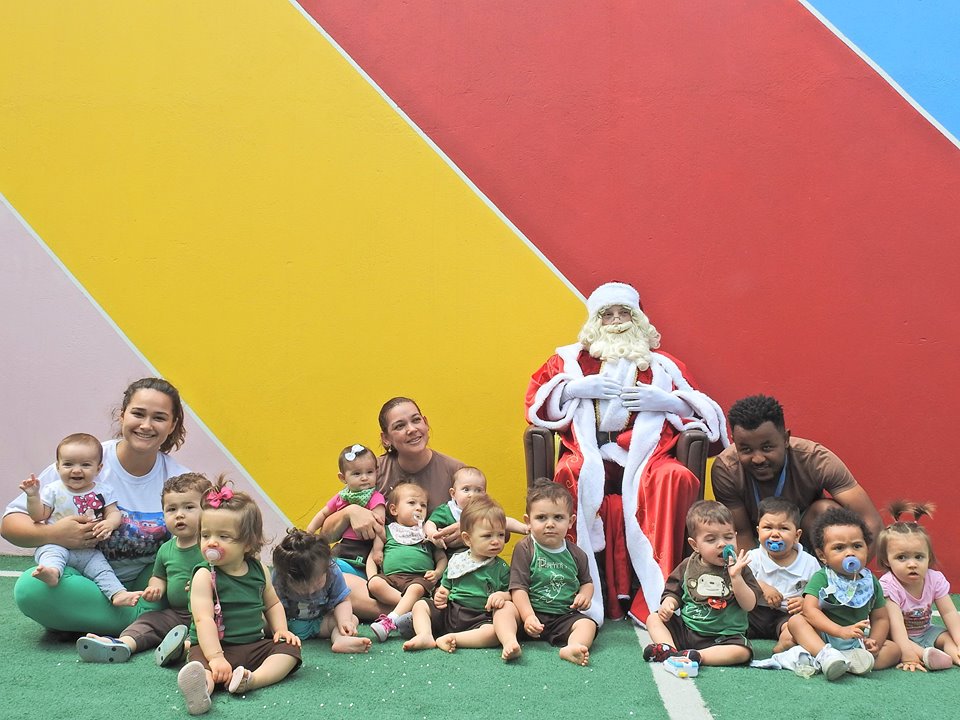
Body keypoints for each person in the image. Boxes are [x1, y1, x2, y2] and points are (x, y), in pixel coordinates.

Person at [525, 281, 727, 623]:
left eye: (624, 313)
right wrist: (572, 389)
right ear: (596, 321)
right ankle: (565, 588)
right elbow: (535, 405)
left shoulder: (663, 366)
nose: (617, 321)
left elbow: (704, 413)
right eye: (608, 314)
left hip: (646, 454)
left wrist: (668, 402)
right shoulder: (569, 361)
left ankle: (660, 593)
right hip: (589, 451)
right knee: (568, 474)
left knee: (675, 477)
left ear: (638, 319)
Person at [2, 378, 190, 634]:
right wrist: (54, 533)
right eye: (138, 414)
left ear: (172, 425)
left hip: (147, 585)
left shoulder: (179, 479)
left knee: (187, 574)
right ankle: (148, 622)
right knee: (30, 589)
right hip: (84, 580)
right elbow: (10, 524)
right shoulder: (84, 460)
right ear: (122, 415)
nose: (146, 425)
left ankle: (93, 620)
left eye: (159, 417)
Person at [317, 397, 465, 620]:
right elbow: (326, 535)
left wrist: (467, 528)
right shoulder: (371, 471)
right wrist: (349, 512)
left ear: (426, 423)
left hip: (435, 577)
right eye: (399, 426)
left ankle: (414, 611)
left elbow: (493, 526)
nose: (411, 429)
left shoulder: (456, 472)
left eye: (416, 420)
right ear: (386, 438)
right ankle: (415, 612)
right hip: (380, 576)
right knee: (325, 576)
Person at [176, 479, 301, 716]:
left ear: (248, 544)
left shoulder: (259, 569)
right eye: (205, 535)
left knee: (290, 650)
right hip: (213, 647)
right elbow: (203, 620)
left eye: (224, 536)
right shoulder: (204, 575)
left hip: (253, 645)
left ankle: (252, 679)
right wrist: (216, 658)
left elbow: (272, 603)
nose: (211, 542)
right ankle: (202, 690)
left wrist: (281, 630)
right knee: (201, 667)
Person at [712, 394, 883, 558]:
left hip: (807, 540)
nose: (758, 459)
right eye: (746, 450)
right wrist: (753, 576)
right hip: (758, 544)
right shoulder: (726, 469)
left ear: (786, 439)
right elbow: (741, 533)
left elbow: (870, 520)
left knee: (826, 510)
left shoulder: (816, 460)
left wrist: (852, 571)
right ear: (734, 442)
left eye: (767, 448)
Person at [77, 472, 211, 664]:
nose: (179, 514)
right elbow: (160, 576)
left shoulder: (209, 546)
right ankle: (122, 644)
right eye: (171, 509)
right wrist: (156, 588)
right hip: (179, 613)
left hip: (211, 613)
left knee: (211, 630)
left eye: (189, 507)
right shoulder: (166, 549)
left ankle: (184, 648)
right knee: (148, 621)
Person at [19, 433, 142, 607]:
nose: (76, 470)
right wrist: (33, 497)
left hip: (89, 550)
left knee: (102, 570)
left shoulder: (104, 490)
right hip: (57, 545)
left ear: (98, 468)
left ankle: (118, 594)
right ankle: (52, 572)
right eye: (68, 464)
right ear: (58, 467)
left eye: (85, 465)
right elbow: (38, 516)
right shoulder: (53, 490)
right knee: (50, 555)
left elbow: (114, 513)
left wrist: (110, 523)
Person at [644, 501, 761, 668]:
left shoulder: (740, 568)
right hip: (687, 631)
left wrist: (736, 578)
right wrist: (669, 604)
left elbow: (749, 605)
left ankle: (697, 656)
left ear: (735, 536)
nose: (722, 544)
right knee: (653, 618)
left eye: (728, 537)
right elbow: (673, 592)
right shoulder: (688, 566)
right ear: (695, 545)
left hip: (724, 638)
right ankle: (669, 649)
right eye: (711, 539)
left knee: (743, 652)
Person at [403, 495, 521, 661]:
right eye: (487, 536)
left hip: (480, 617)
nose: (496, 541)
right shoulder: (457, 561)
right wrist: (442, 594)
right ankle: (425, 635)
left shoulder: (500, 567)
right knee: (420, 605)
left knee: (493, 633)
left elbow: (512, 594)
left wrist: (502, 595)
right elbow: (445, 586)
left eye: (500, 535)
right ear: (467, 539)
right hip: (451, 611)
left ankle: (454, 638)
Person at [787, 507, 900, 680]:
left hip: (856, 641)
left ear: (867, 549)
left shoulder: (870, 581)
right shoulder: (822, 577)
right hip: (824, 637)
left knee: (894, 650)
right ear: (822, 555)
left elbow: (880, 618)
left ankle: (851, 662)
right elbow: (810, 610)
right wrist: (840, 631)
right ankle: (826, 656)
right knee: (796, 621)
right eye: (839, 548)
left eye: (857, 546)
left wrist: (874, 642)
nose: (850, 553)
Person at [510, 479, 596, 667]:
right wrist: (528, 616)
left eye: (558, 517)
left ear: (570, 521)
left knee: (587, 624)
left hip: (563, 616)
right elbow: (518, 588)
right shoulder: (525, 549)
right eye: (541, 518)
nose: (550, 524)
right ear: (528, 521)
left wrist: (584, 595)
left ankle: (573, 646)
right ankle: (509, 641)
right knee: (505, 611)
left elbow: (587, 582)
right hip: (530, 614)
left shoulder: (577, 554)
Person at [877, 501, 960, 671]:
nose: (912, 564)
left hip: (926, 631)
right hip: (898, 636)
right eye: (902, 557)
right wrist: (907, 655)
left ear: (929, 557)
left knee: (946, 637)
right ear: (886, 560)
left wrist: (958, 640)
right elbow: (896, 626)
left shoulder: (934, 579)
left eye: (919, 557)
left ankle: (954, 655)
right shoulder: (888, 585)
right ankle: (927, 655)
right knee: (897, 645)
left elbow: (949, 613)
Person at [367, 482, 447, 642]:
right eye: (412, 503)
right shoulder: (387, 531)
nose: (419, 508)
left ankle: (389, 621)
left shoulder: (427, 533)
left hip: (419, 579)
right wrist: (372, 578)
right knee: (374, 584)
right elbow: (372, 557)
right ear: (394, 510)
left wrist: (437, 573)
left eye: (423, 505)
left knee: (415, 588)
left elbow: (442, 558)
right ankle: (411, 607)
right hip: (390, 580)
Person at [272, 528, 371, 654]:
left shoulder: (333, 572)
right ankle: (280, 638)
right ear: (287, 578)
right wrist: (280, 629)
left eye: (318, 582)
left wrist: (344, 621)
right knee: (264, 620)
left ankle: (340, 639)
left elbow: (342, 601)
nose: (311, 591)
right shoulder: (279, 577)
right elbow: (274, 606)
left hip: (320, 623)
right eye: (303, 587)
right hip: (287, 624)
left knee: (352, 619)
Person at [746, 498, 820, 652]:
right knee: (733, 619)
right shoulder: (753, 557)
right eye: (768, 527)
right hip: (754, 613)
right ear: (758, 531)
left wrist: (805, 601)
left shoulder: (809, 562)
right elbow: (741, 581)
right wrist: (763, 587)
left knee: (797, 626)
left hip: (787, 615)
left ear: (797, 535)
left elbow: (819, 592)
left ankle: (784, 644)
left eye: (784, 528)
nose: (775, 534)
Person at [306, 444, 386, 573]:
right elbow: (324, 513)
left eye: (369, 472)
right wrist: (309, 532)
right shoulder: (342, 496)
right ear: (343, 478)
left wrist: (377, 551)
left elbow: (380, 527)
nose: (364, 478)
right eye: (357, 474)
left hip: (363, 549)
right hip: (343, 547)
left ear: (377, 472)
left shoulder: (375, 498)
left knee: (332, 571)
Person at [423, 466, 527, 550]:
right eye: (466, 489)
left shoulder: (484, 511)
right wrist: (433, 535)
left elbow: (505, 521)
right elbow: (430, 523)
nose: (472, 494)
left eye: (478, 490)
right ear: (453, 493)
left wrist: (524, 528)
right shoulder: (447, 511)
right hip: (453, 557)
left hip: (483, 554)